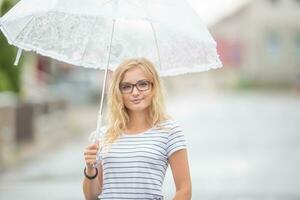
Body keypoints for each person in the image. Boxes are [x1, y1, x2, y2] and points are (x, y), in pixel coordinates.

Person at [83, 58, 192, 200]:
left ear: (154, 87)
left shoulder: (169, 131)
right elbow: (91, 196)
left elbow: (184, 190)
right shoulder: (104, 134)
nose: (135, 92)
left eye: (143, 84)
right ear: (118, 91)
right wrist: (90, 168)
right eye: (126, 86)